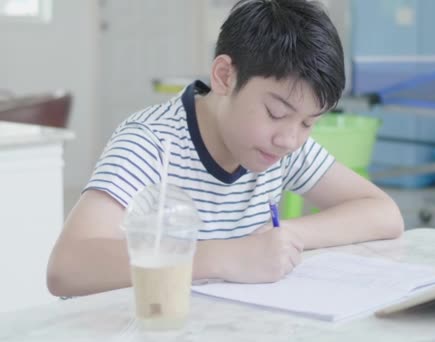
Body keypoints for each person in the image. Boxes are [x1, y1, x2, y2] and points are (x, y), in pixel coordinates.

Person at [47, 0, 404, 297]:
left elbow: (384, 214)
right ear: (224, 76)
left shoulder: (283, 147)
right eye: (275, 112)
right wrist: (224, 257)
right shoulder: (152, 142)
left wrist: (289, 236)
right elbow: (67, 267)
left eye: (308, 122)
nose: (291, 139)